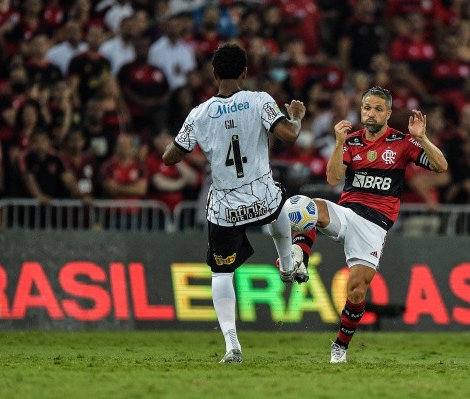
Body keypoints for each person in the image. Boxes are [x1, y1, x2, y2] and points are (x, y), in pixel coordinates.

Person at [162, 43, 306, 364]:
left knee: (221, 273)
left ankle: (232, 346)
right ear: (245, 71)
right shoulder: (259, 100)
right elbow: (289, 135)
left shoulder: (199, 114)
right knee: (277, 202)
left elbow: (171, 158)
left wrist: (176, 145)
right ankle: (286, 262)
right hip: (260, 195)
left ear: (214, 74)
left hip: (225, 206)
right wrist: (295, 116)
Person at [288, 86, 448, 363]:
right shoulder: (351, 142)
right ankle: (298, 258)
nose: (370, 113)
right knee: (306, 206)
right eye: (366, 108)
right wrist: (339, 143)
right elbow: (333, 179)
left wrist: (422, 138)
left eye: (377, 109)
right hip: (347, 213)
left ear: (388, 113)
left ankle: (339, 347)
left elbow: (440, 166)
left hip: (374, 226)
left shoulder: (402, 142)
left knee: (357, 291)